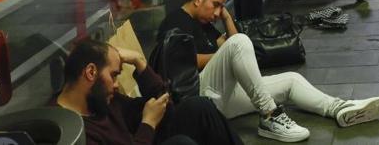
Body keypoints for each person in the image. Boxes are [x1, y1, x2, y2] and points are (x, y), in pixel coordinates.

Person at [155, 0, 379, 141]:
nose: (217, 12)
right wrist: (224, 55)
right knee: (239, 44)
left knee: (290, 80)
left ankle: (338, 108)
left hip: (221, 97)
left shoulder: (204, 23)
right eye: (215, 5)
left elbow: (232, 44)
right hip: (199, 101)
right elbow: (187, 63)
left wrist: (226, 18)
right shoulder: (175, 22)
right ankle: (269, 115)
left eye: (221, 7)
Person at [53, 36, 240, 145]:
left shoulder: (103, 99)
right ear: (91, 72)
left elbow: (165, 106)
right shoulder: (70, 131)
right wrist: (148, 125)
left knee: (198, 107)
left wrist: (139, 63)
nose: (117, 84)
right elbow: (149, 121)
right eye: (114, 75)